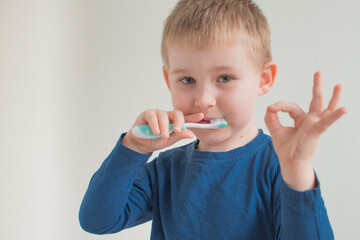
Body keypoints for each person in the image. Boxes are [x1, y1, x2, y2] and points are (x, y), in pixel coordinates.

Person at [79, 0, 347, 239]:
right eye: (187, 80)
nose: (203, 99)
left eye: (225, 78)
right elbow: (97, 221)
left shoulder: (279, 167)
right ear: (168, 80)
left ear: (264, 79)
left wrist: (298, 170)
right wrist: (133, 148)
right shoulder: (166, 170)